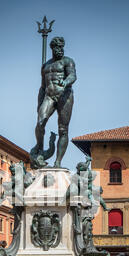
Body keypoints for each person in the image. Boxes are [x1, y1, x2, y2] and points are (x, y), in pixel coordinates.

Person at [34, 36, 77, 168]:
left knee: (63, 129)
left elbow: (73, 75)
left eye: (62, 47)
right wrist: (39, 103)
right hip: (49, 96)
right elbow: (42, 86)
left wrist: (65, 82)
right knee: (40, 123)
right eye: (57, 47)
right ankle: (40, 149)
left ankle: (58, 161)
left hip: (65, 96)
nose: (60, 50)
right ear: (52, 48)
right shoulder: (45, 65)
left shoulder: (67, 61)